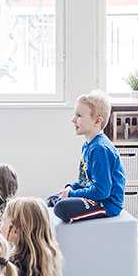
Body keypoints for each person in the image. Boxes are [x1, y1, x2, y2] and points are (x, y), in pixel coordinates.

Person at [48, 90, 126, 223]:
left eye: (79, 115)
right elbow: (86, 181)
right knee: (52, 200)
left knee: (61, 207)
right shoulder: (88, 146)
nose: (73, 120)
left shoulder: (100, 149)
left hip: (107, 204)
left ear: (97, 120)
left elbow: (102, 192)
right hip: (96, 197)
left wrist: (71, 194)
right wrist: (71, 187)